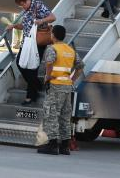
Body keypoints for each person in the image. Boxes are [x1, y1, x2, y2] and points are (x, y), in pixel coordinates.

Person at [36, 25, 84, 156]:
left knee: (51, 113)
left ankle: (52, 145)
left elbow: (49, 63)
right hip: (67, 86)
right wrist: (72, 80)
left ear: (53, 35)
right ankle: (65, 146)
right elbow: (80, 67)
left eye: (51, 33)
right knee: (64, 115)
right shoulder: (70, 50)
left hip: (55, 84)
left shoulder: (52, 49)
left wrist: (47, 77)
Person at [6, 0, 56, 105]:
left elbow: (53, 17)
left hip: (38, 41)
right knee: (20, 63)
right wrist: (14, 26)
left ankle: (30, 96)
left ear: (27, 1)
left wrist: (41, 21)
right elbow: (25, 26)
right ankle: (37, 85)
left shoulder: (38, 6)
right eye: (21, 5)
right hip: (27, 42)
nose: (22, 7)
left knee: (32, 68)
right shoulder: (26, 11)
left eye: (23, 4)